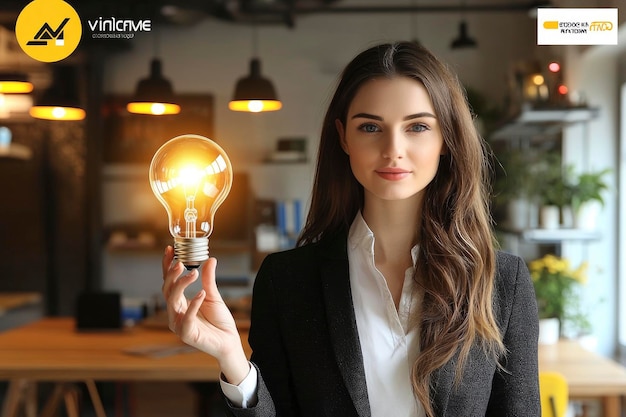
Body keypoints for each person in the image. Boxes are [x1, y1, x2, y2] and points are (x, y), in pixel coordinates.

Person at [161, 41, 540, 417]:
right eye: (371, 126)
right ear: (344, 137)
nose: (393, 149)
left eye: (418, 127)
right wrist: (232, 359)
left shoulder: (503, 283)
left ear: (447, 138)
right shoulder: (288, 280)